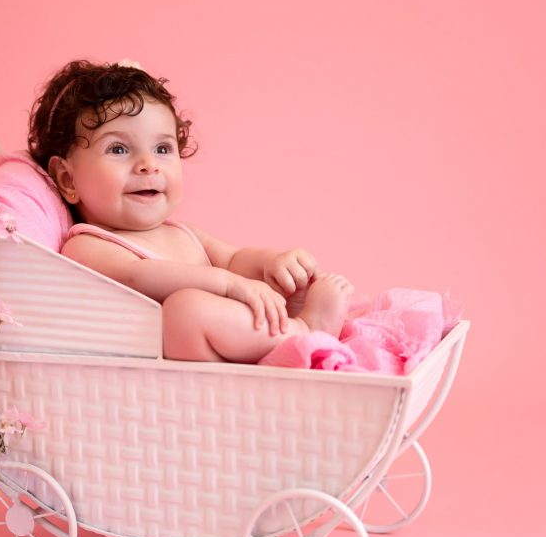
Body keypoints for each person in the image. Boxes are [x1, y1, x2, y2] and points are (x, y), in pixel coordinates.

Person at [26, 59, 354, 364]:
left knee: (253, 287)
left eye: (162, 148)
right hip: (183, 350)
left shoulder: (183, 233)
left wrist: (273, 262)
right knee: (186, 309)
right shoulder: (85, 244)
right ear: (68, 179)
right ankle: (305, 330)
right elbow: (136, 275)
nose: (148, 165)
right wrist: (228, 285)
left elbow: (234, 258)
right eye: (119, 149)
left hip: (223, 342)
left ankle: (281, 322)